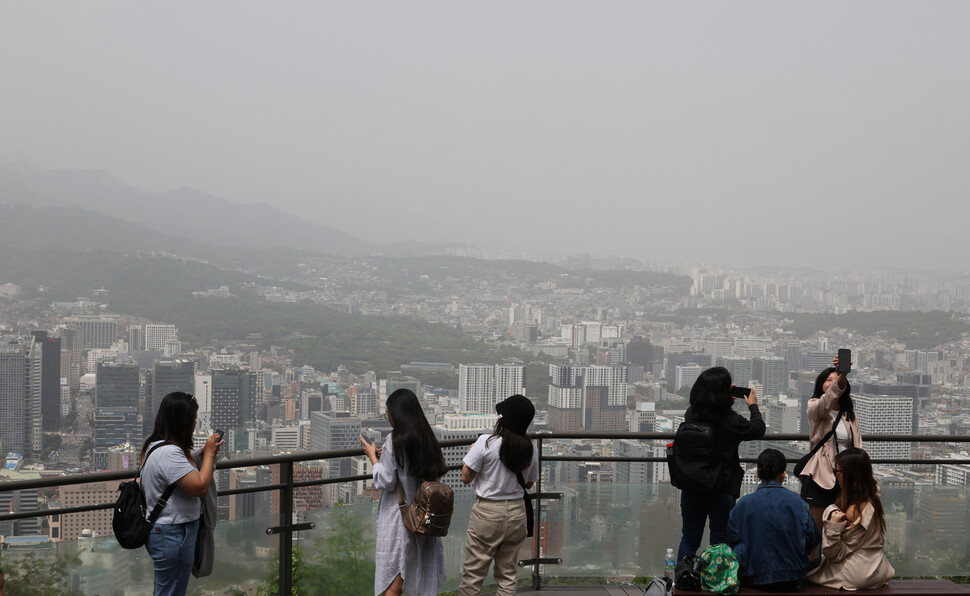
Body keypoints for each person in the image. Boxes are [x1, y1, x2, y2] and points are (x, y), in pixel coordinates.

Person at [360, 388, 447, 596]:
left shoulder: (394, 440)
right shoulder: (427, 437)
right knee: (415, 575)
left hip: (401, 517)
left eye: (388, 414)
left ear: (395, 414)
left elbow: (386, 480)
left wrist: (373, 458)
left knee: (394, 582)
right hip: (424, 516)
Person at [678, 366, 766, 562]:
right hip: (721, 488)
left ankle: (683, 581)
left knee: (689, 540)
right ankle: (716, 586)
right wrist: (753, 406)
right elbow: (758, 429)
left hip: (692, 485)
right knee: (720, 541)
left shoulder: (691, 413)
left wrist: (721, 397)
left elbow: (709, 414)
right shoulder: (731, 420)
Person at [140, 392, 222, 596]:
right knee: (171, 591)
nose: (195, 423)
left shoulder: (156, 445)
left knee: (168, 589)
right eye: (192, 418)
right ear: (181, 422)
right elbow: (200, 487)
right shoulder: (169, 454)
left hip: (170, 532)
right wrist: (209, 454)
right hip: (172, 533)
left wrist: (201, 455)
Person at [458, 394, 539, 596]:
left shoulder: (486, 442)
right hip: (517, 513)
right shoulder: (531, 448)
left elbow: (466, 477)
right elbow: (529, 483)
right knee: (507, 575)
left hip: (487, 513)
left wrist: (470, 454)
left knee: (473, 576)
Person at [727, 449, 820, 591]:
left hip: (751, 577)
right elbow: (812, 539)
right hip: (791, 577)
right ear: (783, 475)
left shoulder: (743, 504)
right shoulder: (798, 502)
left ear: (758, 473)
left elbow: (732, 540)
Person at [806, 448, 894, 590]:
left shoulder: (854, 511)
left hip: (854, 574)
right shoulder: (873, 498)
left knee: (805, 575)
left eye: (837, 471)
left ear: (850, 475)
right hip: (877, 569)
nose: (835, 476)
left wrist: (833, 525)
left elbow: (835, 553)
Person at [800, 356, 862, 532]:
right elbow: (825, 402)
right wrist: (842, 376)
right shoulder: (815, 407)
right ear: (820, 385)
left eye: (836, 380)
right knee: (813, 532)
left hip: (845, 478)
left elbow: (857, 445)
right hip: (820, 476)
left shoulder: (849, 414)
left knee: (842, 529)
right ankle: (811, 561)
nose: (832, 382)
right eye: (828, 380)